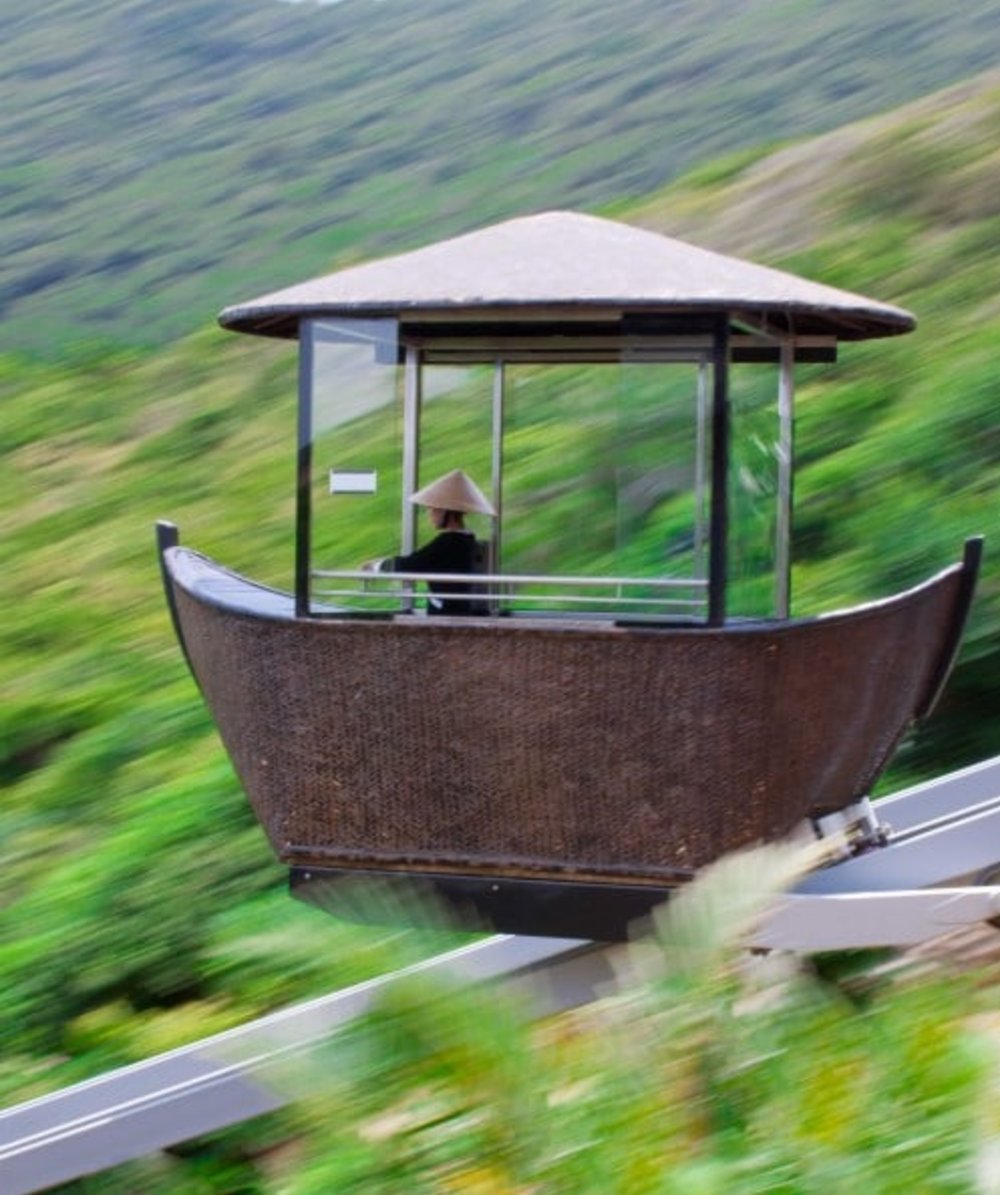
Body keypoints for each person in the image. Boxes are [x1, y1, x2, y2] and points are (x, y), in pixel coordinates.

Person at [365, 469, 496, 615]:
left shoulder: (448, 542)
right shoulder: (467, 539)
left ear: (446, 512)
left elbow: (412, 564)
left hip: (446, 613)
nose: (430, 515)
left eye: (433, 510)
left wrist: (376, 566)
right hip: (458, 609)